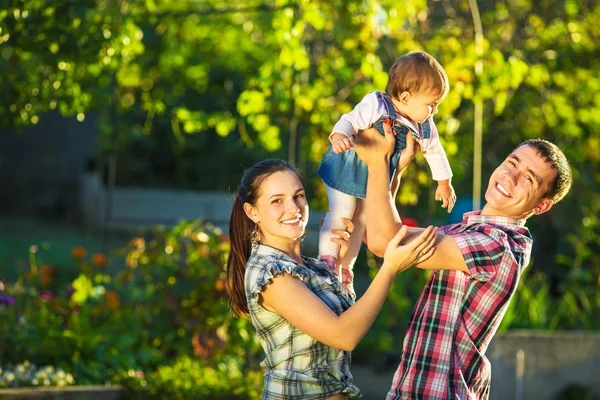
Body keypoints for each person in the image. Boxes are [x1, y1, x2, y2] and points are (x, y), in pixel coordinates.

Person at [353, 126, 572, 399]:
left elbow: (385, 239)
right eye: (512, 163)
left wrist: (378, 163)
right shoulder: (469, 232)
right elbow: (381, 237)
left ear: (541, 206)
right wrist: (393, 168)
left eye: (528, 178)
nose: (510, 176)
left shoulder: (497, 246)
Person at [226, 158, 439, 400]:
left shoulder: (313, 267)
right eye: (277, 201)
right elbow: (344, 336)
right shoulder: (270, 272)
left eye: (298, 196)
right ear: (252, 211)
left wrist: (391, 164)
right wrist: (390, 268)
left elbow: (362, 211)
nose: (294, 208)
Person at [316, 51, 456, 297]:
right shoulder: (377, 104)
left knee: (360, 221)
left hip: (373, 179)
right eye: (431, 104)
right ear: (405, 96)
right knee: (343, 211)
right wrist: (340, 136)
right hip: (349, 167)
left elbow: (435, 152)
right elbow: (350, 120)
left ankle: (345, 267)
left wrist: (444, 183)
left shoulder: (424, 125)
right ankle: (326, 259)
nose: (434, 111)